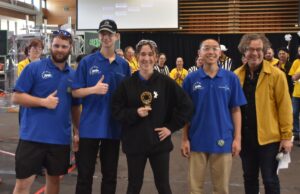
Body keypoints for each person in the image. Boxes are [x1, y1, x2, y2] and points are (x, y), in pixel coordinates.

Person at [112, 39, 193, 194]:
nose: (146, 58)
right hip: (134, 143)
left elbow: (187, 106)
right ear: (136, 56)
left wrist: (171, 127)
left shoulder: (166, 83)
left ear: (156, 58)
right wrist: (134, 113)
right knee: (133, 186)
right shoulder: (127, 84)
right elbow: (116, 111)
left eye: (150, 54)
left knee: (163, 186)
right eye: (142, 54)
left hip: (159, 144)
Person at [12, 30, 81, 194]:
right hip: (32, 137)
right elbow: (16, 97)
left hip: (59, 139)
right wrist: (43, 102)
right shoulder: (34, 68)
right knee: (23, 185)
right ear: (51, 46)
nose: (59, 49)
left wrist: (78, 131)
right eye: (56, 45)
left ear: (70, 47)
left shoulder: (73, 75)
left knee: (54, 183)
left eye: (64, 46)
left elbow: (75, 106)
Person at [72, 19, 130, 194]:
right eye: (103, 34)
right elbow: (75, 92)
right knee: (85, 175)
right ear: (99, 36)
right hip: (89, 127)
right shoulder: (87, 62)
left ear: (116, 36)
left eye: (110, 34)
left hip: (113, 128)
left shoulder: (124, 65)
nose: (106, 37)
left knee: (110, 175)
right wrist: (93, 90)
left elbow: (128, 97)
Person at [181, 39, 246, 194]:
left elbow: (236, 110)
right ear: (199, 53)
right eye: (206, 48)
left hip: (223, 140)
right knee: (195, 189)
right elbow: (184, 112)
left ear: (220, 53)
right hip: (196, 140)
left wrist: (237, 138)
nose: (211, 52)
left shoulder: (231, 78)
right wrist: (184, 139)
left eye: (214, 48)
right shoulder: (190, 79)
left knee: (222, 189)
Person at [234, 33, 293, 194]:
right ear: (243, 51)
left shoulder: (277, 75)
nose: (255, 53)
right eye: (250, 49)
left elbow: (285, 108)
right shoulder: (236, 76)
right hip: (246, 139)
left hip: (269, 139)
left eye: (259, 49)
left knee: (270, 179)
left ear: (264, 50)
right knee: (249, 177)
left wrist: (287, 137)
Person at [289, 45, 300, 141]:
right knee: (294, 113)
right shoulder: (296, 62)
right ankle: (297, 132)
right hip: (296, 93)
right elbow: (293, 77)